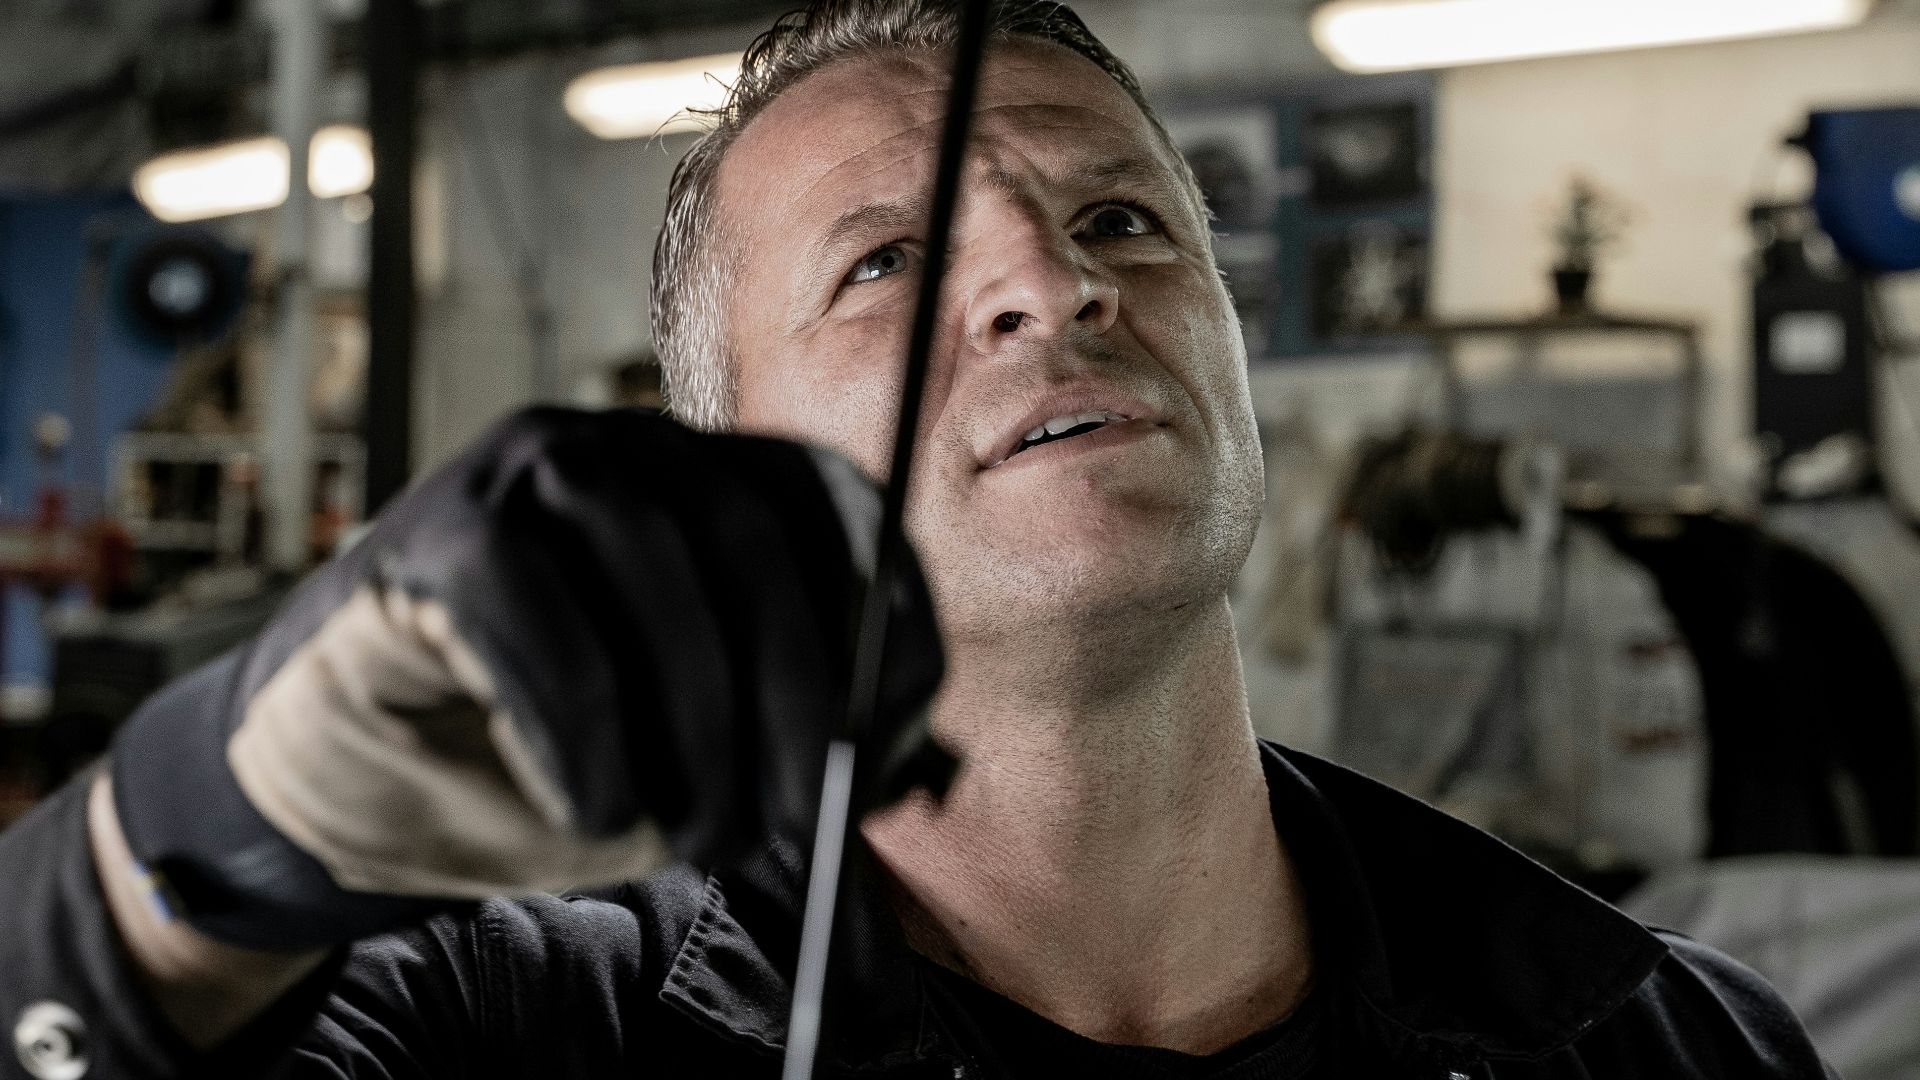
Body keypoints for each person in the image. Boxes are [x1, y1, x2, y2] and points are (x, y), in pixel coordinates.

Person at [0, 2, 1834, 1077]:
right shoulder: (509, 1033)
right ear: (721, 449)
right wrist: (215, 835)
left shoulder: (1669, 1041)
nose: (1051, 284)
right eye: (887, 263)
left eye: (1122, 221)